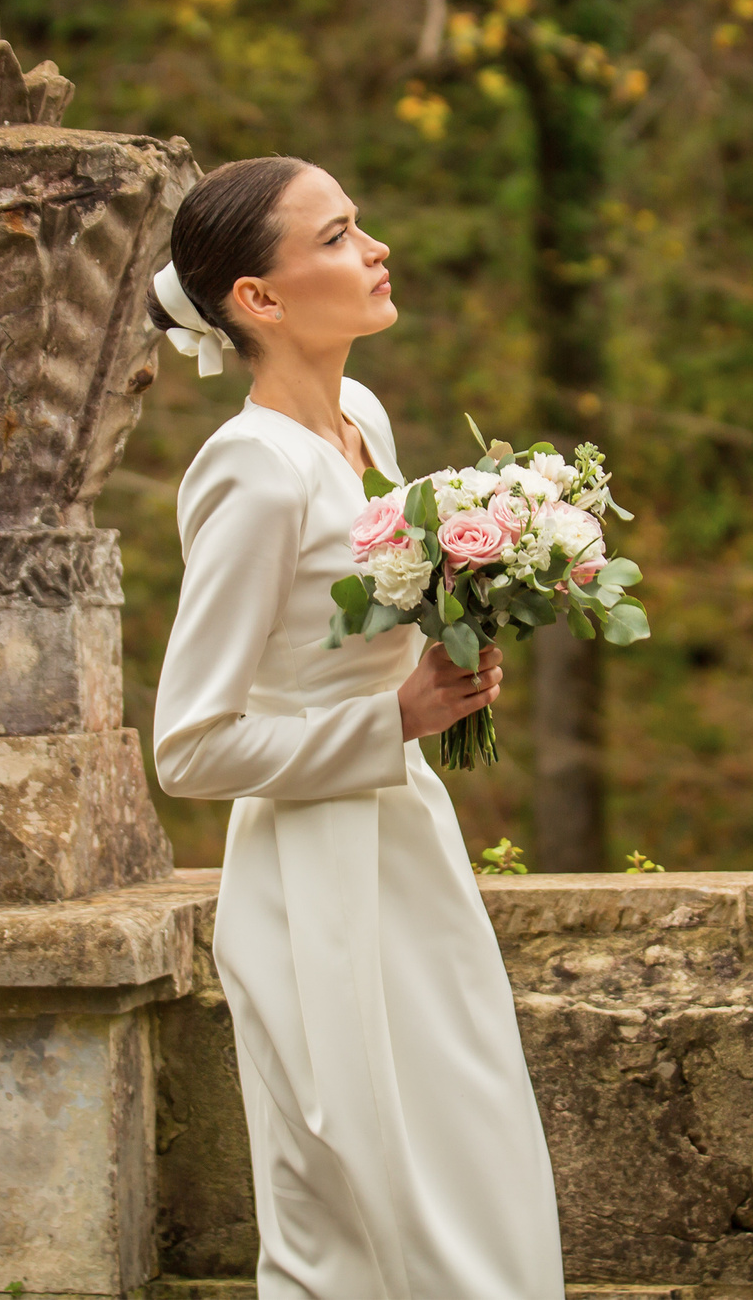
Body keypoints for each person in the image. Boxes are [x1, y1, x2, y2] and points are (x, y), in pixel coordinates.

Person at [147, 156, 565, 1299]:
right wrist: (391, 719)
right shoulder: (249, 472)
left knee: (474, 1157)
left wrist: (459, 634)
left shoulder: (362, 420)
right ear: (259, 300)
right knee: (366, 1199)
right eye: (336, 236)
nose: (373, 248)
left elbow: (362, 622)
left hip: (404, 844)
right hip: (313, 878)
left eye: (360, 226)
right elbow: (188, 746)